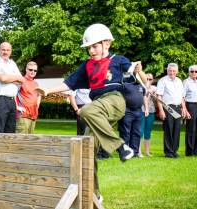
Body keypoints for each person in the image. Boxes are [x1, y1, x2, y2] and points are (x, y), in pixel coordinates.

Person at [35, 23, 141, 201]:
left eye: (94, 46)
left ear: (106, 43)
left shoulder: (118, 60)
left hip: (115, 100)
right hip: (97, 108)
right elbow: (69, 83)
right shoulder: (87, 66)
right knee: (86, 151)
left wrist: (138, 69)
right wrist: (47, 91)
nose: (91, 50)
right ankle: (95, 196)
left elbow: (135, 72)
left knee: (85, 111)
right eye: (88, 47)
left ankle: (120, 146)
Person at [0, 42, 25, 133]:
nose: (5, 52)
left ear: (10, 51)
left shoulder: (12, 63)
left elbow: (21, 80)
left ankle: (7, 148)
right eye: (3, 49)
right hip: (0, 100)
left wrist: (7, 78)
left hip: (12, 101)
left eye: (8, 50)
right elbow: (2, 78)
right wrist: (13, 78)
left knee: (10, 131)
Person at [156, 63, 187, 158]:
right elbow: (159, 96)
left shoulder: (179, 81)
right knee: (168, 129)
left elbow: (182, 97)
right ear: (167, 71)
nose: (172, 72)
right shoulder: (163, 81)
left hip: (178, 107)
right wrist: (161, 110)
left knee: (177, 130)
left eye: (174, 71)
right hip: (168, 107)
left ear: (177, 71)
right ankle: (168, 152)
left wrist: (184, 108)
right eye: (170, 70)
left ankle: (174, 151)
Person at [118, 74, 146, 158]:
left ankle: (135, 152)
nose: (140, 78)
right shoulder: (125, 85)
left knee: (136, 132)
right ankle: (125, 152)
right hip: (127, 111)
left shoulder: (141, 86)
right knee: (125, 132)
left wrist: (146, 108)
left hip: (138, 111)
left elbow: (143, 96)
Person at [16, 61, 41, 134]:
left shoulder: (36, 83)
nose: (33, 72)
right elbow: (12, 94)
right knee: (21, 141)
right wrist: (17, 106)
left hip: (33, 116)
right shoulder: (21, 81)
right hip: (23, 116)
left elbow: (39, 95)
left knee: (30, 141)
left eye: (35, 70)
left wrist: (37, 105)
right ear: (26, 69)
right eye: (30, 69)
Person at [140, 73, 157, 157]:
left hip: (151, 111)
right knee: (140, 131)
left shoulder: (154, 88)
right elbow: (142, 98)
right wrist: (146, 91)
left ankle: (147, 152)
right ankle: (138, 151)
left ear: (152, 80)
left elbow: (157, 99)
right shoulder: (140, 87)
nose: (148, 81)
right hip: (141, 111)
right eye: (147, 79)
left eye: (150, 79)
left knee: (148, 132)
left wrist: (153, 94)